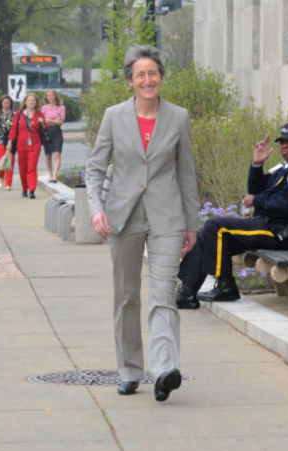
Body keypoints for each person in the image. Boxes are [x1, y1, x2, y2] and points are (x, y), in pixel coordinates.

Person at [86, 45, 199, 402]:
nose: (148, 80)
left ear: (161, 77)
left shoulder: (178, 117)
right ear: (131, 81)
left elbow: (186, 174)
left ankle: (164, 370)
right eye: (141, 75)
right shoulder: (114, 116)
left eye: (153, 73)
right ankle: (129, 370)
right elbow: (95, 167)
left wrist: (192, 224)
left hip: (167, 217)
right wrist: (95, 208)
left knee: (164, 294)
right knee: (127, 296)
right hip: (123, 216)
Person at [176, 122, 288, 309]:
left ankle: (226, 285)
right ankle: (187, 291)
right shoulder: (285, 169)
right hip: (266, 225)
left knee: (215, 226)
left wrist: (256, 201)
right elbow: (256, 188)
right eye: (282, 142)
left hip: (281, 233)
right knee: (207, 233)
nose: (285, 145)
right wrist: (257, 165)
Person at [6, 93, 47, 199]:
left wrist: (43, 123)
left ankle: (32, 189)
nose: (31, 102)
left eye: (33, 100)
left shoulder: (39, 114)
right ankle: (25, 188)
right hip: (21, 144)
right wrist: (10, 142)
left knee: (32, 167)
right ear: (25, 102)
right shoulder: (19, 114)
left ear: (36, 103)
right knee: (22, 168)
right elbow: (14, 129)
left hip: (35, 144)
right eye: (29, 100)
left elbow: (45, 128)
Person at [41, 89, 65, 183]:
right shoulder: (44, 108)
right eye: (48, 96)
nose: (50, 97)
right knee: (48, 156)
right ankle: (50, 174)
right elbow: (43, 122)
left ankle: (55, 176)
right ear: (46, 97)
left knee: (57, 154)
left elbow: (61, 122)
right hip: (46, 132)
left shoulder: (61, 107)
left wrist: (49, 120)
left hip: (57, 132)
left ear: (55, 96)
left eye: (52, 95)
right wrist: (55, 120)